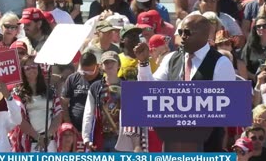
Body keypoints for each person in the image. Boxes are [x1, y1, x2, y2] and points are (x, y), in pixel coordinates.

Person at [136, 15, 235, 151]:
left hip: (207, 146)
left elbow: (226, 108)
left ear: (204, 35)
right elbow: (149, 90)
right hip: (173, 143)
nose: (182, 36)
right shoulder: (171, 59)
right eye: (180, 32)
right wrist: (144, 63)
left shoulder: (221, 63)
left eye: (187, 33)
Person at [82, 51, 122, 152]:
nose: (109, 65)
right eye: (106, 62)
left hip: (121, 139)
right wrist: (86, 137)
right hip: (100, 137)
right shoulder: (95, 87)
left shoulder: (128, 86)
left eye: (112, 62)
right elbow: (88, 113)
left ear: (119, 65)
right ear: (101, 66)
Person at [61, 52, 102, 133]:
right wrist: (69, 124)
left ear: (97, 66)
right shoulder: (73, 78)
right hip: (75, 128)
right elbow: (64, 103)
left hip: (96, 130)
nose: (86, 75)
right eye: (83, 72)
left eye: (90, 72)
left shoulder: (102, 80)